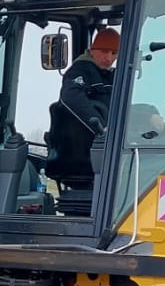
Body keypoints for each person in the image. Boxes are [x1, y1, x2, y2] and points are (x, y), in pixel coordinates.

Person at [45, 26, 119, 189]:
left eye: (114, 53)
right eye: (104, 51)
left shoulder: (112, 76)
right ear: (93, 50)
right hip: (86, 150)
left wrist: (150, 114)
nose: (109, 58)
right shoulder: (81, 71)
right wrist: (103, 129)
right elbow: (71, 96)